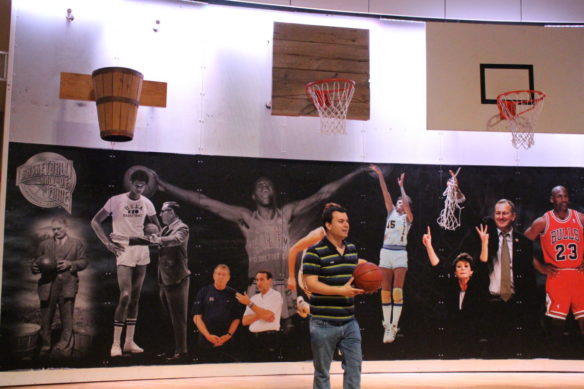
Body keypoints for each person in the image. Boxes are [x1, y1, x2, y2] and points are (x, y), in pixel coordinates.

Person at [151, 167, 365, 320]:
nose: (264, 188)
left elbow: (323, 195)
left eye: (268, 186)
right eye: (260, 186)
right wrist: (164, 186)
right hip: (258, 285)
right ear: (254, 195)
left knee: (287, 335)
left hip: (284, 285)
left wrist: (356, 173)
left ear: (273, 193)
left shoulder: (286, 213)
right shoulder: (246, 217)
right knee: (258, 336)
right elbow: (204, 202)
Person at [91, 169, 160, 357]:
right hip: (124, 251)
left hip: (142, 251)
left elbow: (158, 229)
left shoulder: (147, 203)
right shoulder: (116, 200)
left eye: (142, 186)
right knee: (125, 296)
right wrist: (107, 243)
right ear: (130, 182)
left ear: (146, 186)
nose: (139, 188)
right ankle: (115, 344)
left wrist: (154, 234)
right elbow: (95, 222)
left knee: (136, 298)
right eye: (136, 185)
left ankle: (129, 342)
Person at [303, 204, 365, 389]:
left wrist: (367, 286)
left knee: (355, 368)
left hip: (349, 321)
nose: (346, 225)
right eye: (341, 221)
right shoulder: (314, 251)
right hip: (323, 322)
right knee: (322, 373)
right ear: (328, 225)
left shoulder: (352, 249)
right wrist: (341, 291)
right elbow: (311, 284)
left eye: (347, 221)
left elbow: (355, 279)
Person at [524, 186, 584, 354]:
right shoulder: (543, 221)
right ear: (552, 200)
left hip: (579, 275)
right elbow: (520, 244)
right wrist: (540, 267)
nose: (563, 199)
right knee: (557, 323)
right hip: (557, 276)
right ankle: (554, 358)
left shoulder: (579, 218)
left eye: (565, 196)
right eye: (559, 196)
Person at [479, 199, 538, 357]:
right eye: (498, 213)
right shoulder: (486, 238)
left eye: (505, 213)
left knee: (516, 353)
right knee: (492, 355)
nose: (501, 216)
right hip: (492, 302)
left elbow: (529, 277)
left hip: (515, 304)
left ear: (513, 216)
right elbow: (471, 219)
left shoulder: (524, 243)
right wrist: (459, 196)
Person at [422, 225, 488, 357]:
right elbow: (438, 268)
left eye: (466, 266)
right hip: (452, 337)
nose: (462, 269)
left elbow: (483, 264)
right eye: (459, 267)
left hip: (473, 337)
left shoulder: (476, 286)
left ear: (471, 272)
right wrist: (428, 245)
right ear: (455, 272)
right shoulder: (451, 286)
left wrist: (484, 243)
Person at [31, 217, 88, 357]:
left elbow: (84, 261)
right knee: (46, 318)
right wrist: (33, 267)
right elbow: (35, 261)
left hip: (67, 285)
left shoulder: (76, 243)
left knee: (67, 318)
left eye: (59, 228)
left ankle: (64, 347)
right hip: (47, 285)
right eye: (54, 229)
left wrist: (70, 264)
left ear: (66, 227)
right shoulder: (44, 244)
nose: (56, 232)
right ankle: (45, 346)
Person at [369, 164, 413, 343]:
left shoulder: (408, 217)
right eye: (399, 201)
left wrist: (402, 186)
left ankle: (395, 325)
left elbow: (407, 204)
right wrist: (380, 175)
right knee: (385, 292)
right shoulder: (391, 213)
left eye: (403, 201)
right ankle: (386, 325)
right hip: (386, 252)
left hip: (400, 253)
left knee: (397, 291)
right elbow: (385, 193)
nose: (400, 203)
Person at [150, 201, 191, 361]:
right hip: (165, 279)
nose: (160, 215)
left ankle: (181, 352)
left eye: (163, 211)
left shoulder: (182, 228)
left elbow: (176, 240)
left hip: (177, 279)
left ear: (172, 212)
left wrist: (158, 240)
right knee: (167, 317)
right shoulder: (165, 229)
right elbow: (157, 240)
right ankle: (170, 350)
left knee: (178, 318)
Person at [193, 264, 242, 363]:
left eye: (224, 275)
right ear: (213, 275)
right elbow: (196, 317)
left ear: (228, 278)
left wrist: (228, 335)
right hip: (206, 339)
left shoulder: (233, 294)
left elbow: (237, 318)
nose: (221, 277)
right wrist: (208, 336)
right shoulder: (203, 291)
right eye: (218, 274)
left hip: (226, 340)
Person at [236, 270, 283, 361]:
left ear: (270, 281)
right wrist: (261, 314)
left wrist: (250, 304)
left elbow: (268, 315)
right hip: (253, 339)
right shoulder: (254, 298)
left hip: (269, 339)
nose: (259, 283)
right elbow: (244, 321)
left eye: (262, 279)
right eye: (257, 280)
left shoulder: (276, 295)